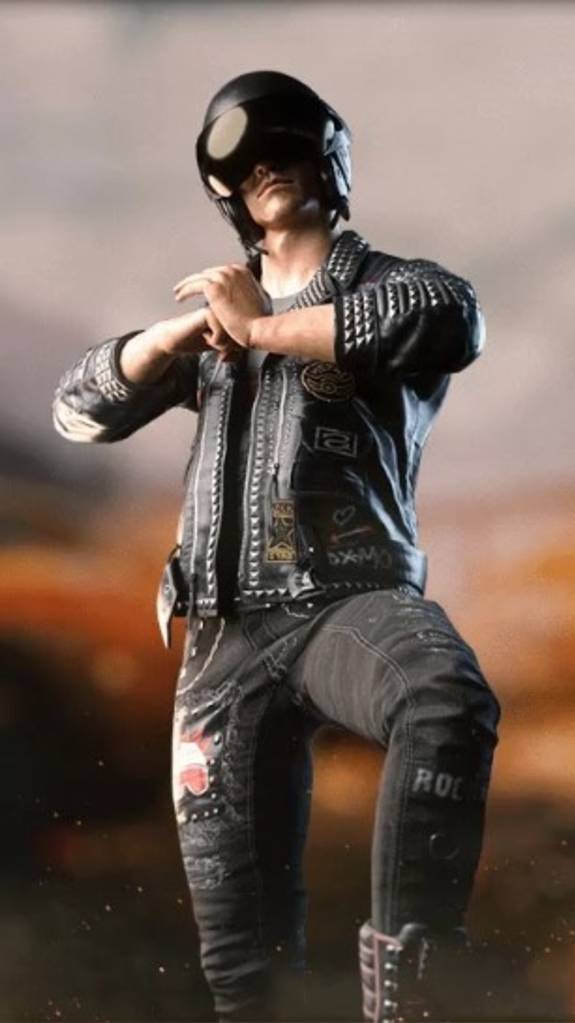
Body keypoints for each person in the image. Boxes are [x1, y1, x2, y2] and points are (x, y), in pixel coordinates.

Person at [53, 70, 501, 1023]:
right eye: (245, 161)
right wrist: (173, 337)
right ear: (226, 192)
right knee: (243, 978)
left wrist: (262, 327)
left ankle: (415, 1002)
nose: (265, 167)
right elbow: (78, 410)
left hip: (347, 603)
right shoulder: (209, 330)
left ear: (328, 159)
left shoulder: (398, 289)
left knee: (441, 698)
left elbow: (448, 320)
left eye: (284, 147)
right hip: (219, 648)